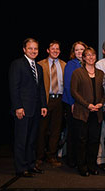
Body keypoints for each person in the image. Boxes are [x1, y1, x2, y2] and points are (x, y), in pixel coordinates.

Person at [9, 38, 47, 177]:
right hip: (23, 110)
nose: (33, 51)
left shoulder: (39, 67)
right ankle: (21, 168)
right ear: (24, 49)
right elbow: (14, 88)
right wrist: (18, 107)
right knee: (21, 139)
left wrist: (43, 105)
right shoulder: (17, 64)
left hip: (36, 110)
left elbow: (41, 88)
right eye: (30, 48)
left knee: (32, 140)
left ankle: (31, 165)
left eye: (35, 48)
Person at [71, 47, 104, 177]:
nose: (91, 57)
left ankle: (92, 165)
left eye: (93, 55)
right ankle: (82, 166)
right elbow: (74, 92)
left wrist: (100, 103)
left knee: (94, 140)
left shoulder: (101, 73)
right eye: (88, 55)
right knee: (82, 140)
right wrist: (87, 105)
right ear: (83, 58)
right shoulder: (77, 73)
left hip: (97, 113)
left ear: (96, 57)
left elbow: (104, 91)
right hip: (82, 112)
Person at [36, 40, 66, 168]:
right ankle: (38, 157)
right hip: (45, 101)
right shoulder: (39, 64)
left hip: (59, 100)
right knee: (41, 130)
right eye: (53, 48)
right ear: (48, 50)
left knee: (56, 130)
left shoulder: (64, 65)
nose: (55, 51)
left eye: (57, 49)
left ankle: (51, 156)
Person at [62, 41, 87, 168]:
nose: (79, 52)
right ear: (73, 52)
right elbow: (67, 86)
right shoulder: (70, 65)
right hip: (72, 103)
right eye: (77, 50)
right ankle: (71, 160)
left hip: (84, 104)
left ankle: (81, 159)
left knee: (82, 134)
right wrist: (72, 103)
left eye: (82, 49)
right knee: (73, 132)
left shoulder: (88, 64)